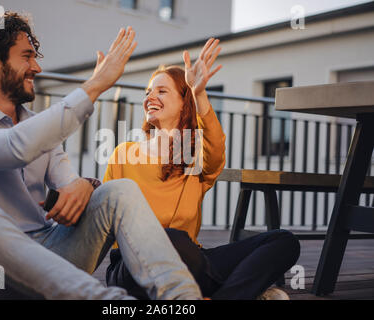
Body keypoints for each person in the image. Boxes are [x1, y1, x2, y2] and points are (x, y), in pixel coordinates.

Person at [0, 12, 203, 300]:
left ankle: (184, 299)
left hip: (52, 259)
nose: (36, 67)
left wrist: (86, 186)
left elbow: (70, 187)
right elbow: (12, 147)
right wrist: (94, 86)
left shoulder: (37, 126)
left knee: (120, 191)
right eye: (26, 56)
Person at [103, 38, 301, 300]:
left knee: (283, 241)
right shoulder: (124, 154)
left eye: (161, 91)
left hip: (191, 258)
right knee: (168, 239)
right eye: (148, 92)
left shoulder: (195, 155)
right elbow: (104, 217)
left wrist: (199, 94)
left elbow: (216, 149)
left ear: (185, 103)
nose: (150, 97)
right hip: (132, 265)